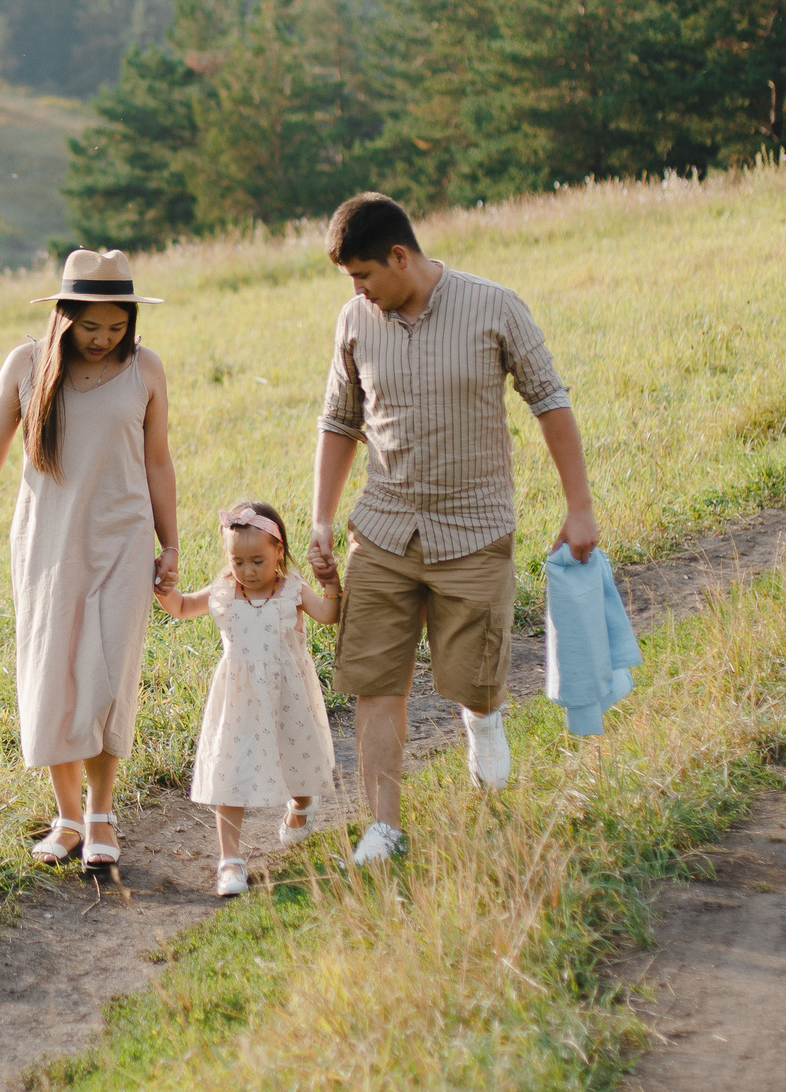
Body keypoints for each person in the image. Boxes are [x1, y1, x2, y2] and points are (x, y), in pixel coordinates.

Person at [307, 192, 600, 867]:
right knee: (376, 680)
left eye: (363, 274)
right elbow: (339, 420)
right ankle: (384, 824)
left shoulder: (495, 306)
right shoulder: (355, 321)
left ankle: (483, 719)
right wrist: (322, 516)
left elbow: (549, 400)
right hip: (383, 531)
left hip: (473, 529)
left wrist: (578, 506)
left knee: (472, 676)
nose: (357, 290)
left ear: (400, 256)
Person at [0, 248, 180, 870]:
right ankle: (67, 818)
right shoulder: (28, 365)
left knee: (106, 679)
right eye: (91, 326)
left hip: (123, 541)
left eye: (116, 327)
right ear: (64, 317)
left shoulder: (145, 370)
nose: (104, 339)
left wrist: (170, 542)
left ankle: (101, 814)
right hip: (47, 542)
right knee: (54, 677)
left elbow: (157, 460)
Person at [154, 499, 341, 896]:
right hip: (237, 699)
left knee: (295, 759)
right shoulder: (224, 590)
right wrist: (163, 591)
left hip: (286, 693)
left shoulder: (292, 589)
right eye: (238, 562)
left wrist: (331, 584)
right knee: (231, 773)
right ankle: (230, 860)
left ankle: (302, 804)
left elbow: (327, 614)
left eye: (257, 560)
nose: (248, 571)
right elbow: (184, 607)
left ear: (279, 551)